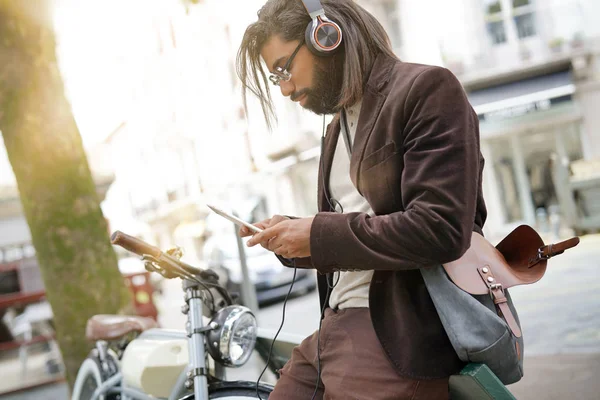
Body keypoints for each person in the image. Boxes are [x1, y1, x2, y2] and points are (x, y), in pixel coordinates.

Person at [236, 0, 487, 398]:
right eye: (275, 78)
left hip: (398, 334)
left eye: (284, 68)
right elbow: (362, 228)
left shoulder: (426, 89)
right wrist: (292, 237)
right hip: (335, 326)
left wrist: (317, 234)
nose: (284, 89)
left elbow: (439, 228)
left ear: (326, 36)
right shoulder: (336, 128)